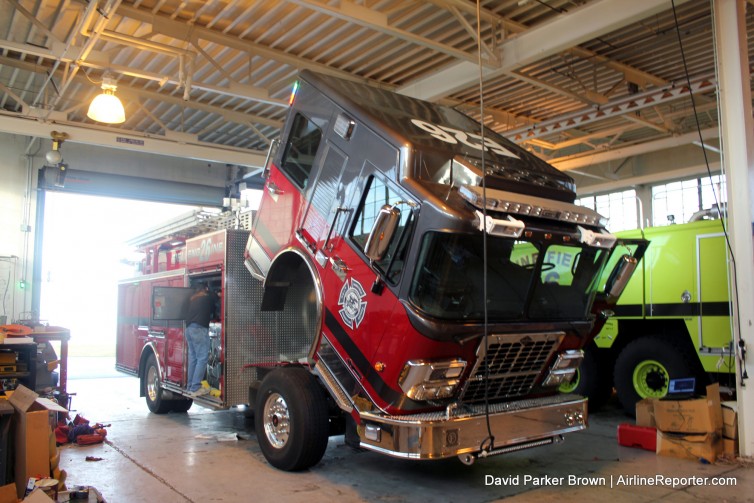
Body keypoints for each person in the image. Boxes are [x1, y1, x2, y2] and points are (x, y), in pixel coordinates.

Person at [185, 282, 216, 397]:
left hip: (189, 329)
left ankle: (190, 387)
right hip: (199, 329)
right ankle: (195, 387)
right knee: (202, 359)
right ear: (205, 289)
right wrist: (216, 293)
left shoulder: (193, 299)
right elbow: (215, 299)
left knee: (193, 358)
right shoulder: (206, 298)